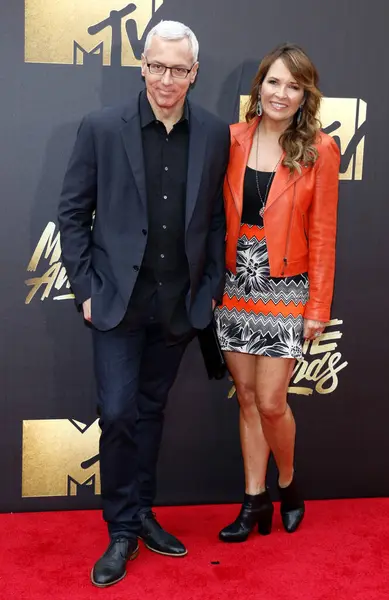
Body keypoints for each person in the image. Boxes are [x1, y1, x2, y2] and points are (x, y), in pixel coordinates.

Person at [58, 20, 229, 587]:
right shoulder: (102, 127)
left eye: (178, 69)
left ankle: (143, 514)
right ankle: (121, 531)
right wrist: (85, 290)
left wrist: (209, 292)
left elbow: (216, 221)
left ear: (194, 73)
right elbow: (73, 213)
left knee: (152, 412)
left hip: (179, 307)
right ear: (142, 65)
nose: (166, 79)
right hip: (115, 304)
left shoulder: (211, 133)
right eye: (157, 66)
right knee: (119, 413)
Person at [214, 43, 340, 542]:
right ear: (259, 86)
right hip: (236, 282)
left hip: (286, 287)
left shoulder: (320, 150)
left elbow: (325, 234)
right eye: (274, 82)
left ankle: (287, 482)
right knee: (245, 397)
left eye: (294, 85)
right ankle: (253, 500)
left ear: (305, 94)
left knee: (270, 402)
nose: (281, 93)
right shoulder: (231, 140)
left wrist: (318, 305)